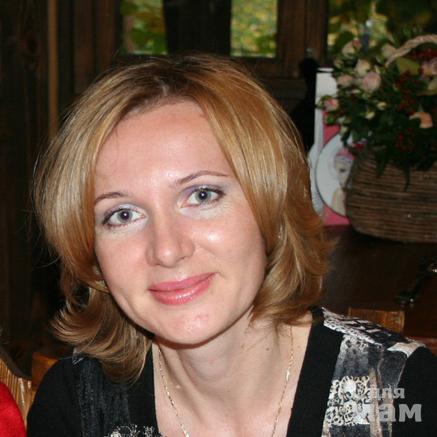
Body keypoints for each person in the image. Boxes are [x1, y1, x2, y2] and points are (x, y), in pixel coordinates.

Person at [28, 54, 436, 437]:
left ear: (271, 207)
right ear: (92, 254)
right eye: (122, 215)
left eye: (202, 195)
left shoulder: (399, 392)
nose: (167, 250)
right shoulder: (78, 408)